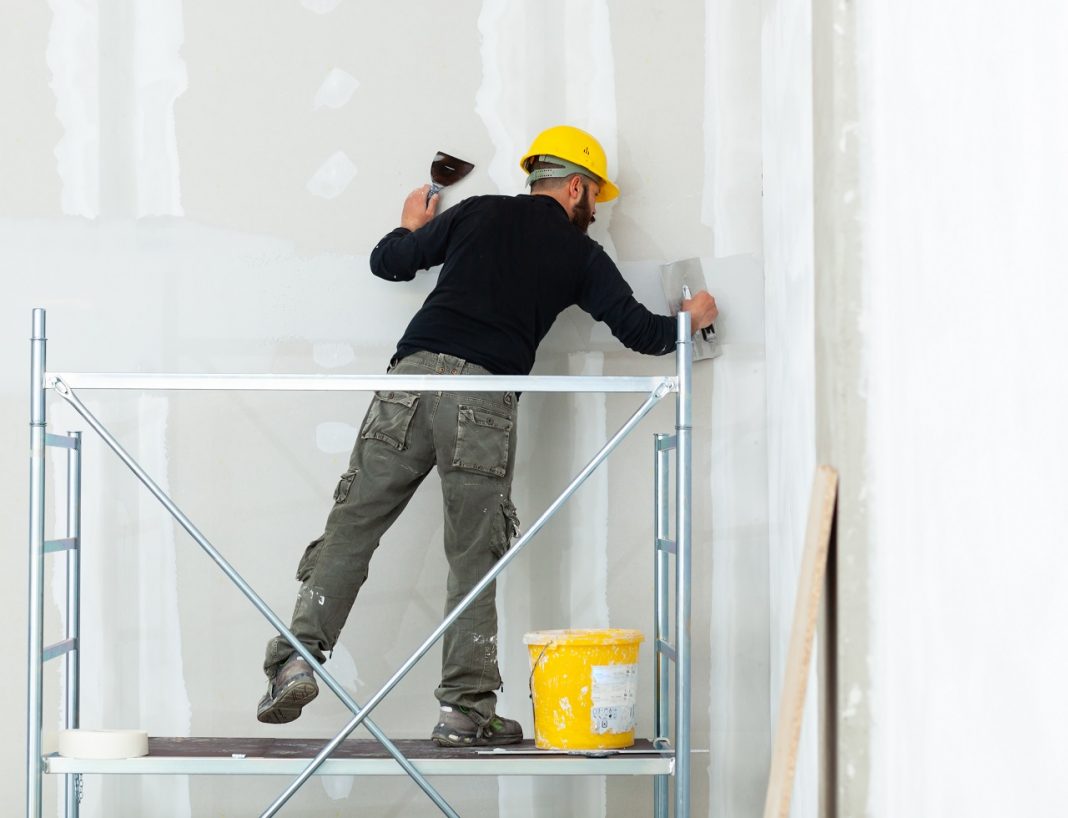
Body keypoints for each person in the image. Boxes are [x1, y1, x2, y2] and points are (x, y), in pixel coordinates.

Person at [257, 125, 718, 746]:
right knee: (472, 556)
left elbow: (387, 263)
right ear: (577, 187)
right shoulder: (581, 256)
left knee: (352, 527)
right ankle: (465, 712)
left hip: (408, 384)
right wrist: (688, 323)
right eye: (594, 200)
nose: (593, 212)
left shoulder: (475, 213)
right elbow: (642, 333)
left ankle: (295, 659)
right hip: (482, 401)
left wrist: (410, 227)